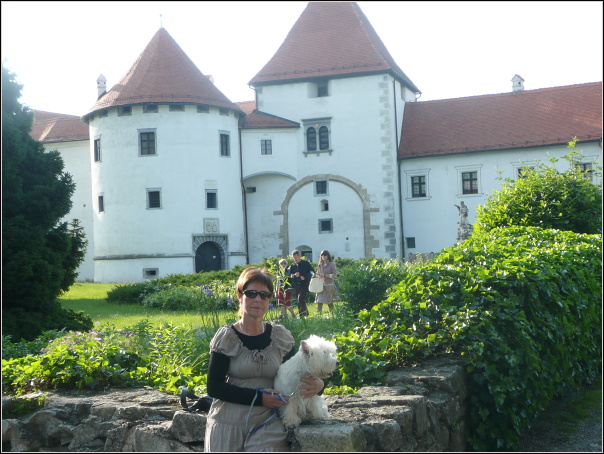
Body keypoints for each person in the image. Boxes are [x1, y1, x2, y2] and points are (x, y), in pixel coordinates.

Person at [204, 267, 324, 452]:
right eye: (251, 293)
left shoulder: (280, 337)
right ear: (239, 295)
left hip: (269, 421)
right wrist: (259, 398)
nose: (257, 300)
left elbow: (301, 372)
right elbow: (214, 387)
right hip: (228, 421)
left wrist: (320, 386)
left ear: (270, 299)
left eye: (264, 295)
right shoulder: (226, 338)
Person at [289, 250, 314, 318]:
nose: (295, 259)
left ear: (300, 256)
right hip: (297, 284)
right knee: (298, 300)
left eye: (296, 257)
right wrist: (294, 275)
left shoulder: (306, 263)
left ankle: (305, 314)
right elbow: (290, 275)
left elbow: (312, 272)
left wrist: (305, 276)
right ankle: (302, 315)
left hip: (305, 284)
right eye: (294, 258)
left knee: (300, 299)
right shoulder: (293, 265)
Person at [314, 250, 337, 314]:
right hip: (321, 286)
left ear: (328, 256)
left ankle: (332, 314)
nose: (323, 256)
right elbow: (318, 273)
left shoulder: (331, 264)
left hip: (329, 286)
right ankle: (319, 315)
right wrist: (316, 275)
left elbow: (334, 275)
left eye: (325, 255)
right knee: (319, 301)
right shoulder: (320, 265)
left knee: (330, 302)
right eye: (322, 255)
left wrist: (325, 275)